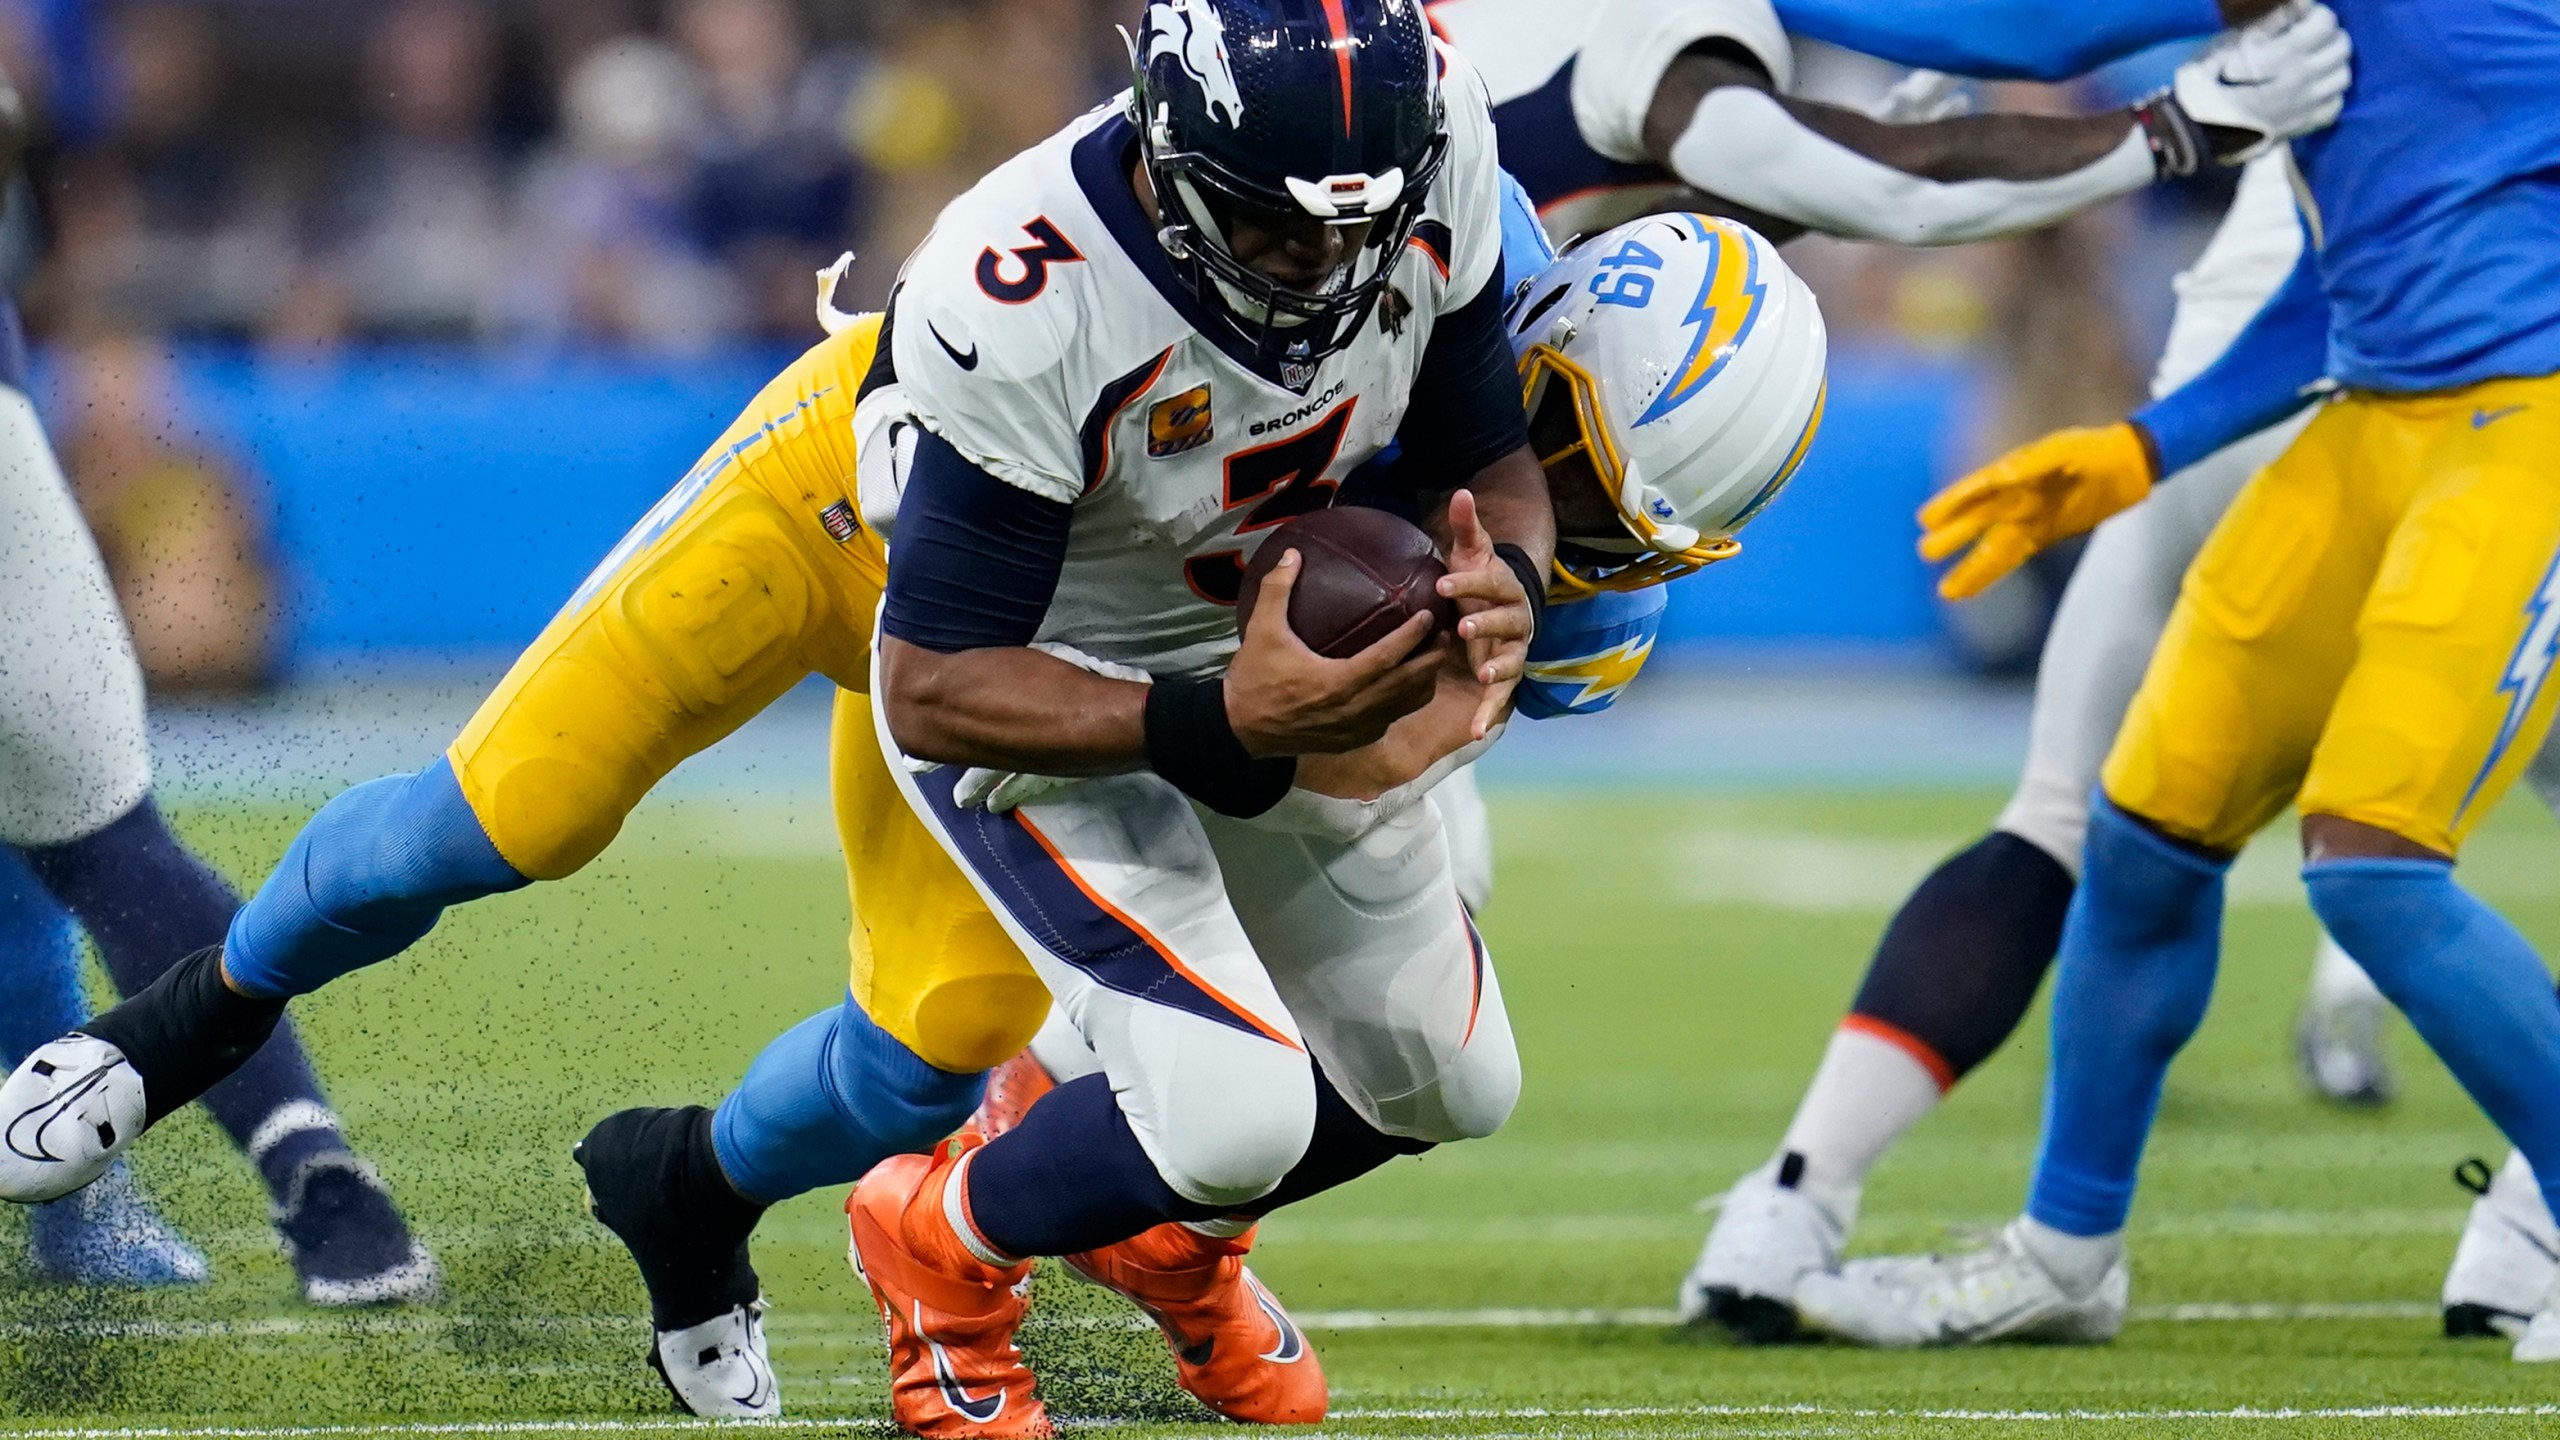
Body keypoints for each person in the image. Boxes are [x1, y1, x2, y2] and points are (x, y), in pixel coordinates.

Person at [1774, 0, 2560, 1358]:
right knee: (2143, 838)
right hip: (2374, 418)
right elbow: (2350, 272)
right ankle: (2067, 1254)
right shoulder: (2352, 41)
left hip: (2524, 434)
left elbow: (2027, 28)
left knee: (2373, 861)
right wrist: (2145, 448)